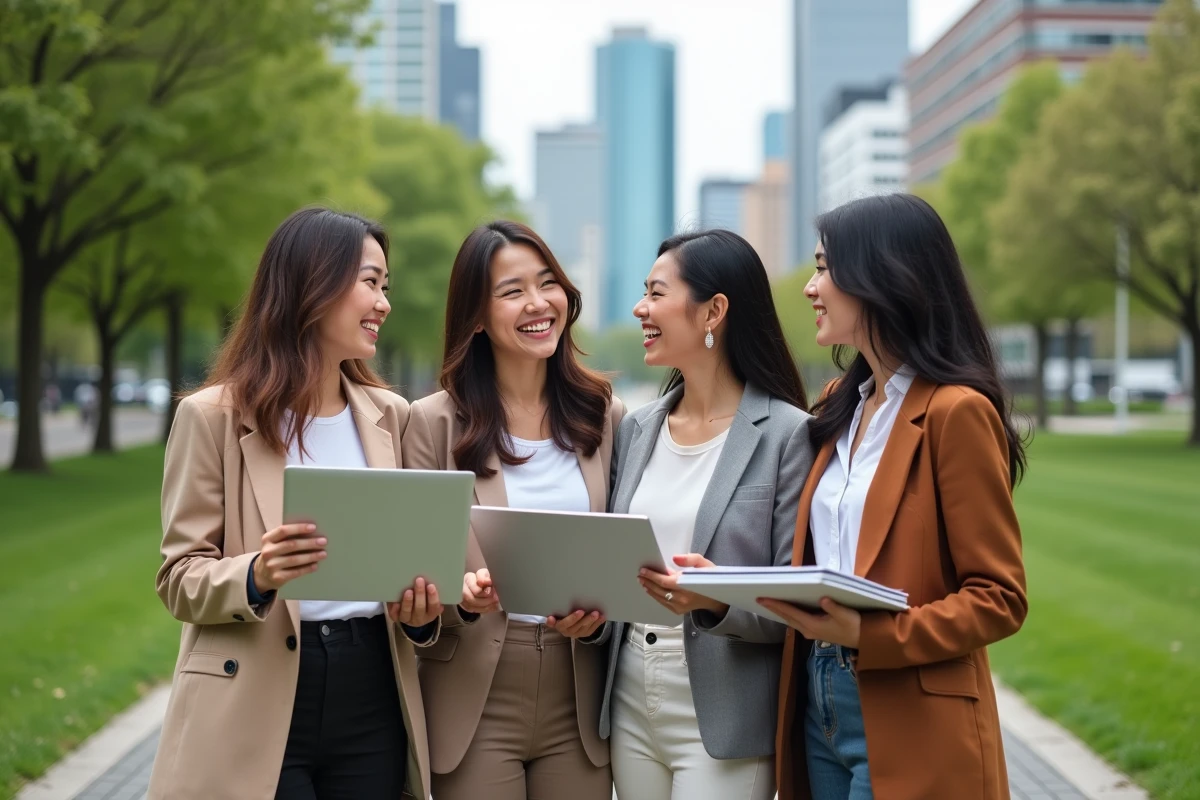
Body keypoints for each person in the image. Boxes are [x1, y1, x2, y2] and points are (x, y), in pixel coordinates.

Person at [148, 207, 442, 800]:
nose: (384, 302)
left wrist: (423, 613)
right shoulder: (210, 417)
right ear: (312, 284)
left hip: (372, 691)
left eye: (386, 286)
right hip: (256, 689)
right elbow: (178, 578)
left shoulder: (393, 416)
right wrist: (257, 574)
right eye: (369, 282)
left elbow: (409, 556)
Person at [768, 193, 1028, 800]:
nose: (811, 286)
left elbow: (999, 598)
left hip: (914, 713)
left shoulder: (955, 413)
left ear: (881, 275)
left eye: (825, 268)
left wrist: (874, 637)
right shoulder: (839, 404)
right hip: (817, 697)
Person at [401, 220, 623, 800]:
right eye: (512, 290)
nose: (537, 303)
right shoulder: (432, 423)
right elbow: (410, 582)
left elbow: (625, 552)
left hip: (579, 696)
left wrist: (600, 616)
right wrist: (461, 601)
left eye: (547, 283)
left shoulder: (607, 416)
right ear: (476, 316)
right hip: (474, 696)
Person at [598, 229, 815, 800]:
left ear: (714, 309)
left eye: (656, 293)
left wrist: (717, 601)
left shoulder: (788, 435)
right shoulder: (636, 429)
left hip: (724, 714)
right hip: (628, 698)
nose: (641, 309)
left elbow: (798, 604)